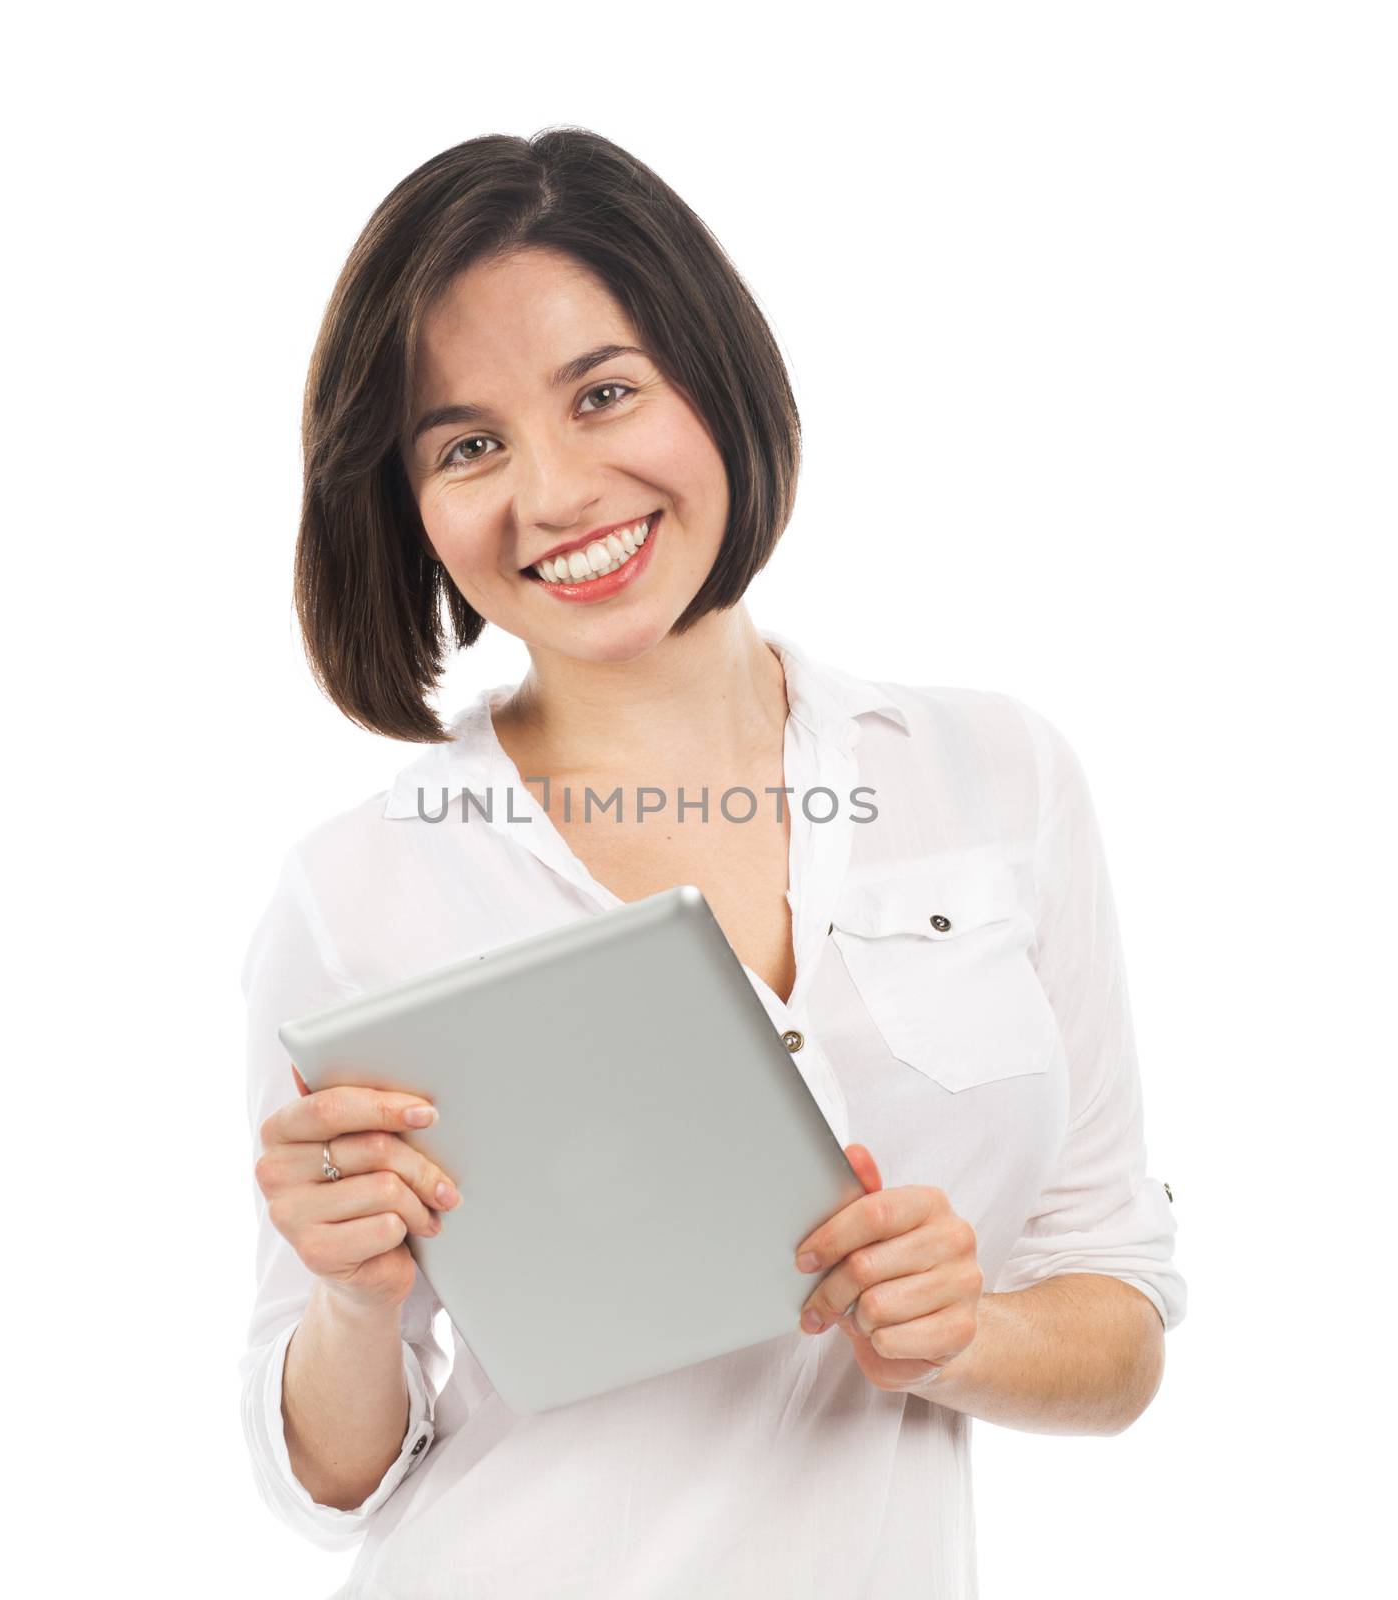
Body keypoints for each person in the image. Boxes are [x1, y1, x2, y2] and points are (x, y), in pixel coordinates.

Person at [239, 127, 1187, 1599]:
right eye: (467, 444)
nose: (552, 493)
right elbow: (330, 1475)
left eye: (604, 392)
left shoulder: (993, 777)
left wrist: (965, 1334)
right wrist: (350, 1303)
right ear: (407, 507)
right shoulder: (358, 892)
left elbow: (1117, 1308)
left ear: (714, 378)